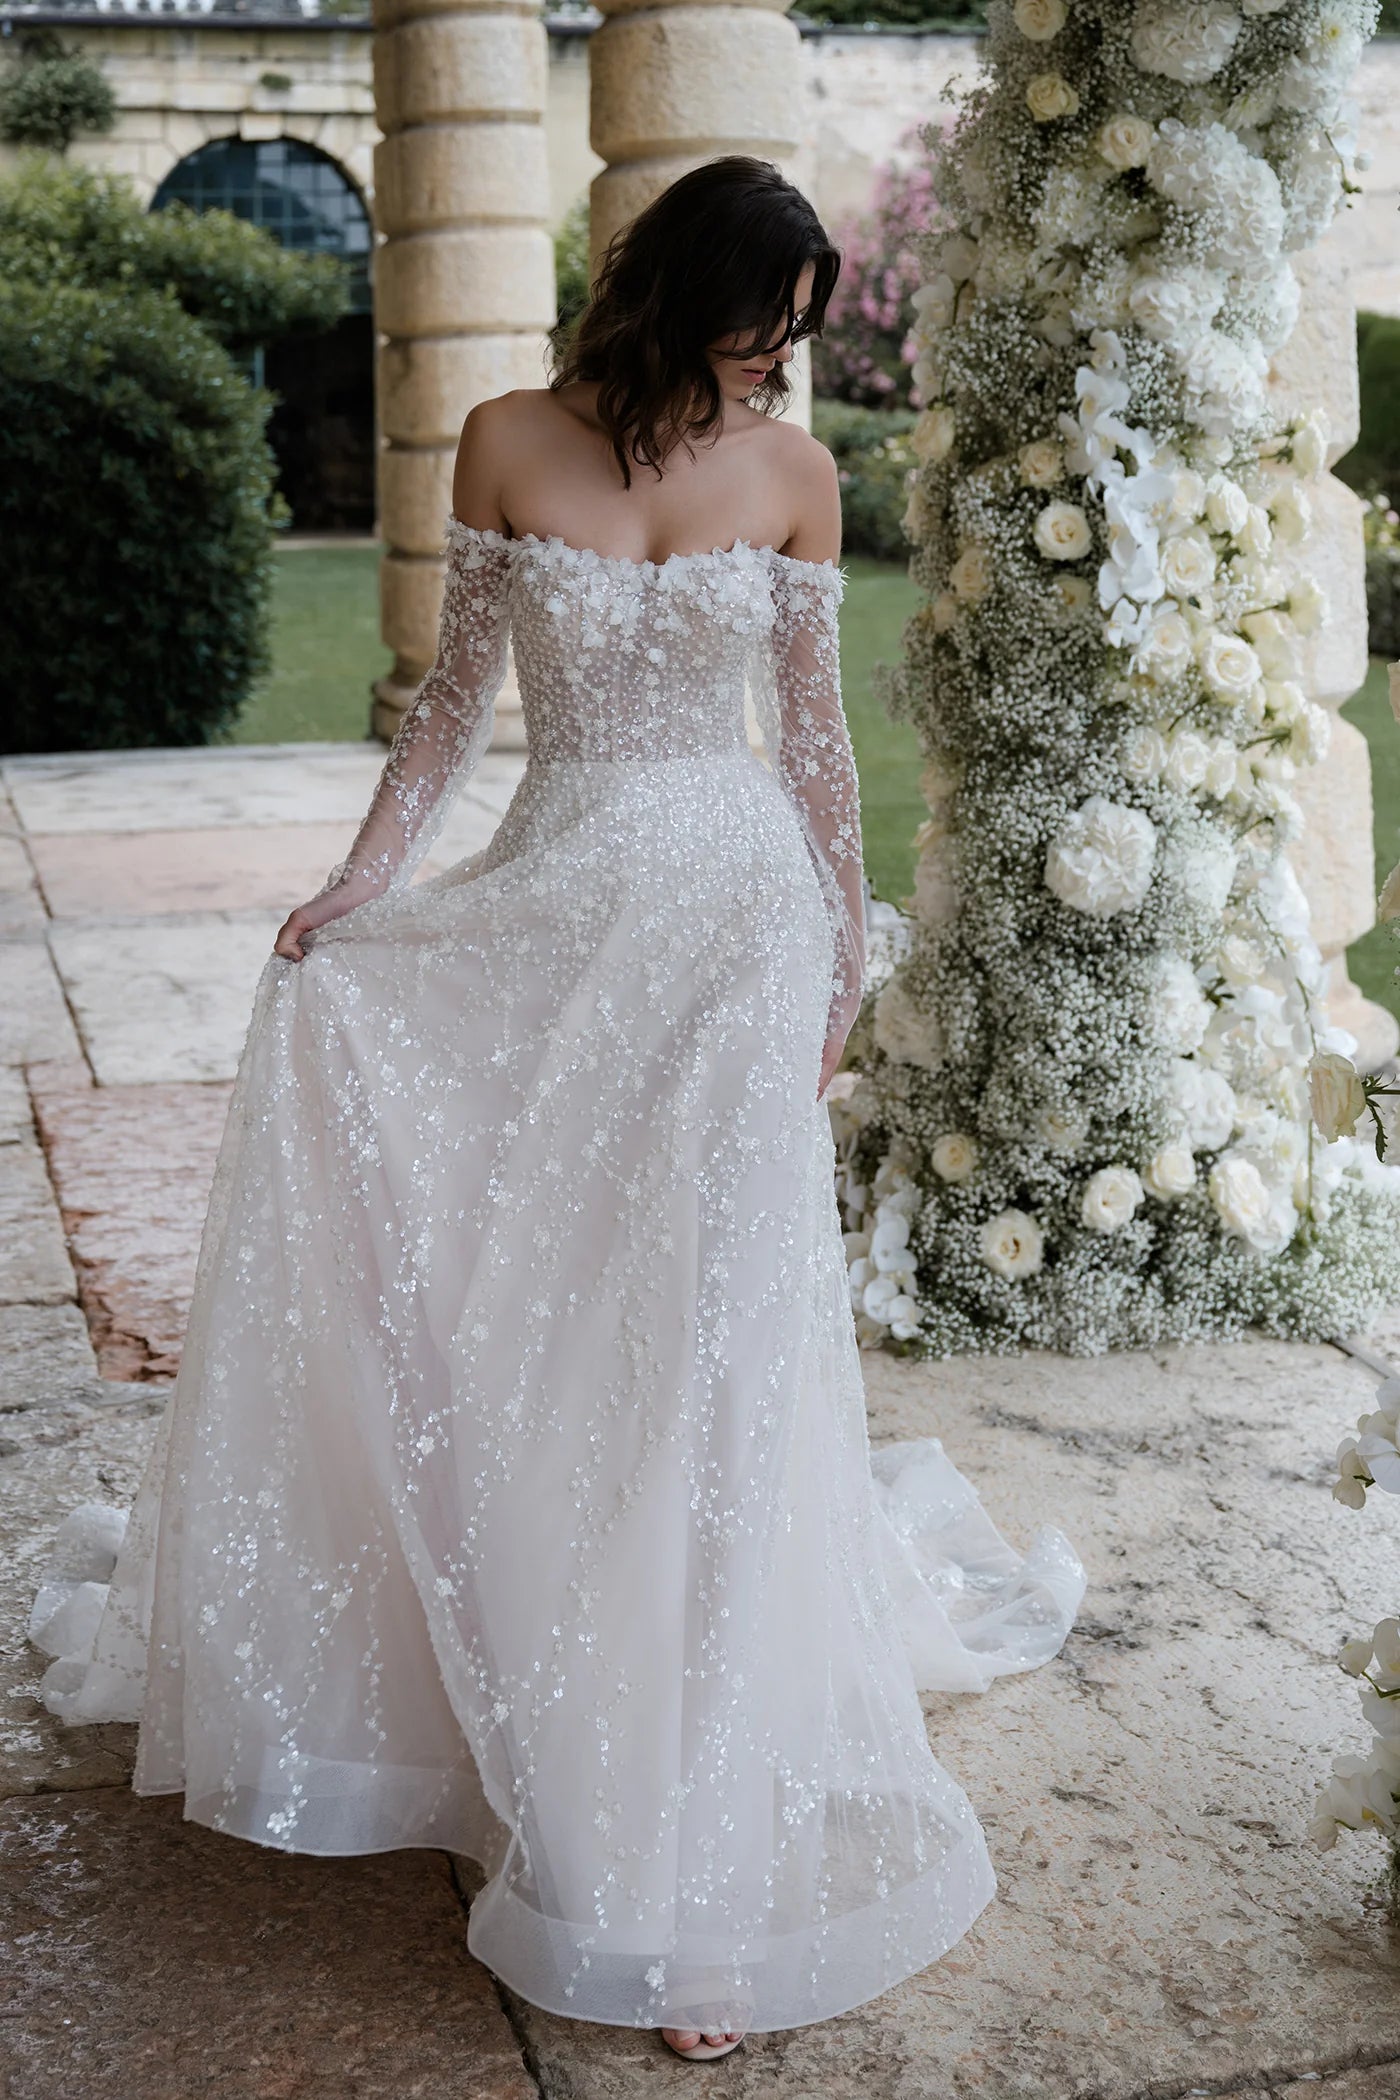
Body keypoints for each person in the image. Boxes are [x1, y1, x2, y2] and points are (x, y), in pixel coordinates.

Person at [30, 157, 1086, 2063]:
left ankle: (681, 1834)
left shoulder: (795, 465)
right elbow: (450, 707)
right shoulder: (507, 437)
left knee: (711, 1336)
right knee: (555, 1299)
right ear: (693, 290)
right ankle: (519, 1641)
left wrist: (841, 951)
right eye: (771, 307)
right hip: (562, 903)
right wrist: (363, 883)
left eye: (802, 316)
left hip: (739, 930)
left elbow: (819, 736)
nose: (787, 345)